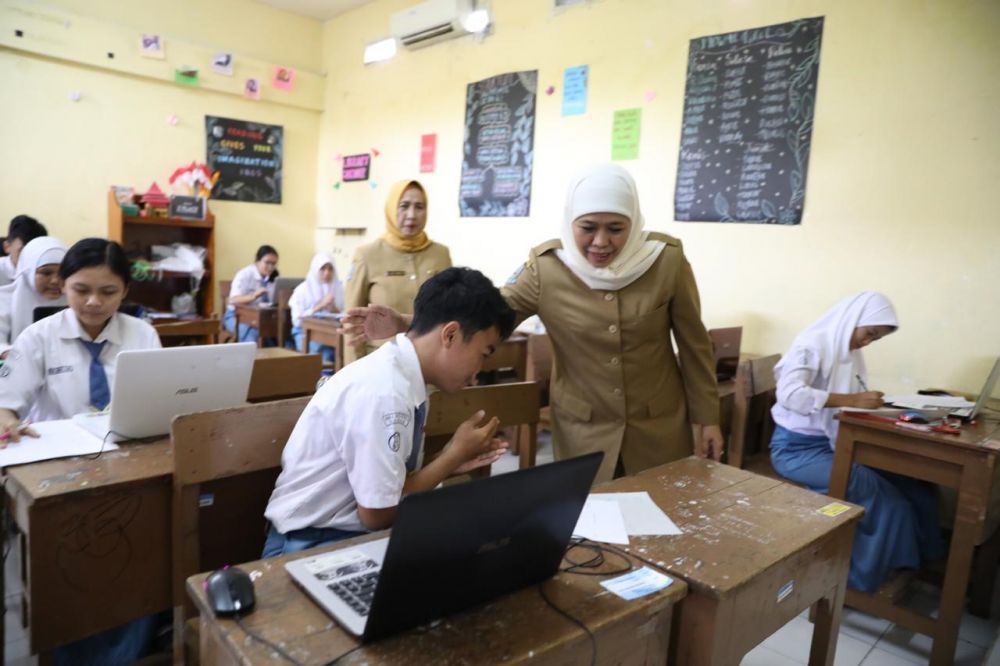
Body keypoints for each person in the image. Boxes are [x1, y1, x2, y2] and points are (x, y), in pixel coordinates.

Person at [345, 164, 722, 483]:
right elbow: (489, 314)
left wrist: (708, 420)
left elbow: (693, 345)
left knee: (666, 523)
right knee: (592, 531)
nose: (601, 242)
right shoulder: (547, 268)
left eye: (616, 228)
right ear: (570, 220)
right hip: (584, 428)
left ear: (634, 221)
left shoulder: (665, 260)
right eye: (588, 227)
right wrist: (409, 323)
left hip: (660, 426)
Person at [262, 267, 514, 557]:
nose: (478, 372)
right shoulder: (385, 391)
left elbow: (389, 489)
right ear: (451, 335)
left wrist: (449, 463)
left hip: (346, 535)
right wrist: (450, 457)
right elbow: (377, 514)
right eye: (483, 354)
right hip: (306, 546)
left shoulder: (407, 374)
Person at [0, 237, 163, 664]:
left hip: (129, 465)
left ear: (126, 291)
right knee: (75, 566)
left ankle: (134, 642)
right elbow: (5, 404)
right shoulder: (38, 337)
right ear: (63, 286)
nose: (93, 302)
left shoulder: (142, 334)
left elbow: (163, 400)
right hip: (59, 474)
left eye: (108, 292)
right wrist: (6, 418)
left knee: (143, 550)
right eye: (80, 289)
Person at [769, 291, 943, 592]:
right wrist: (853, 399)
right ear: (853, 319)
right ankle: (858, 581)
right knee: (886, 499)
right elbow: (790, 395)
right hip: (795, 451)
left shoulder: (847, 354)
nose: (868, 342)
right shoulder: (811, 345)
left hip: (834, 443)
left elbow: (847, 405)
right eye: (869, 333)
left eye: (875, 338)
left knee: (916, 489)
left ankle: (920, 564)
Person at [343, 179, 451, 364]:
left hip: (432, 362)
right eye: (404, 206)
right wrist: (352, 370)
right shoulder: (367, 255)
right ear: (392, 209)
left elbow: (451, 311)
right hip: (381, 363)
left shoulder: (440, 254)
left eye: (419, 207)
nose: (411, 215)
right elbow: (352, 323)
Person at [0, 236, 67, 354]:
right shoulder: (4, 300)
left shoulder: (75, 300)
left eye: (63, 273)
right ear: (28, 271)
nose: (55, 281)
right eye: (46, 273)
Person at [290, 252, 344, 365]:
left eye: (330, 269)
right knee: (326, 355)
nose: (327, 273)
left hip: (330, 332)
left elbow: (343, 314)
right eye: (323, 269)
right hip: (304, 333)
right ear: (315, 270)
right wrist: (321, 305)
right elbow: (297, 320)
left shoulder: (338, 288)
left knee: (344, 352)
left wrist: (334, 308)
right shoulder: (302, 290)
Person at [224, 244, 279, 345]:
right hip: (237, 316)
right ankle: (252, 360)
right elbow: (233, 300)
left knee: (279, 336)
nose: (271, 267)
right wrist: (253, 296)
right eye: (267, 263)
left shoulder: (275, 277)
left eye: (274, 264)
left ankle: (273, 360)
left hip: (262, 317)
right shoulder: (245, 274)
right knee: (253, 336)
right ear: (257, 261)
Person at [0, 215, 48, 286]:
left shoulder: (43, 272)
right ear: (7, 247)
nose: (29, 257)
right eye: (22, 251)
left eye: (35, 253)